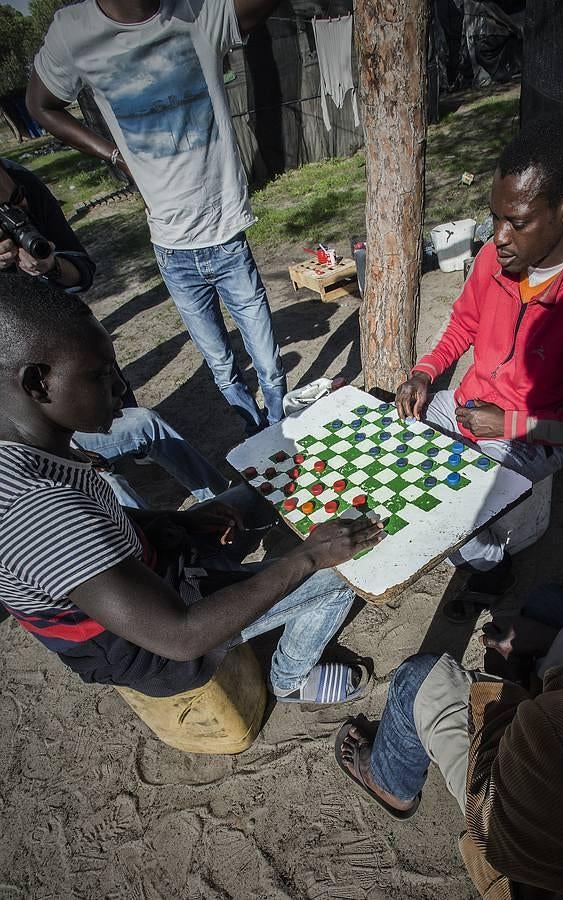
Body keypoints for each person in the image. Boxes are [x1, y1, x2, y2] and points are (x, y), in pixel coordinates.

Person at [335, 381, 563, 898]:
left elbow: (495, 817)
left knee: (417, 678)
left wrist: (513, 685)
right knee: (553, 607)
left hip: (526, 847)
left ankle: (391, 783)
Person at [0, 274, 384, 701]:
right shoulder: (38, 510)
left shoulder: (33, 445)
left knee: (260, 493)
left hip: (155, 565)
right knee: (345, 574)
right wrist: (310, 555)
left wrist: (177, 519)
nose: (121, 387)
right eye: (101, 375)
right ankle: (290, 679)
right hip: (153, 646)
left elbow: (101, 519)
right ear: (37, 383)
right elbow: (180, 636)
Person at [396, 114, 563, 612]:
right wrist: (427, 372)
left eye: (516, 221)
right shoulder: (500, 253)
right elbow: (463, 324)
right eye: (494, 217)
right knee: (394, 433)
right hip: (471, 403)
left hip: (536, 435)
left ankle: (494, 564)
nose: (498, 238)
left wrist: (511, 423)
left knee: (448, 513)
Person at [27, 0, 287, 436]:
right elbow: (42, 105)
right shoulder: (73, 31)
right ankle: (256, 437)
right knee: (221, 365)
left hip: (227, 238)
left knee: (267, 361)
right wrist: (113, 154)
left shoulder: (198, 11)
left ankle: (282, 436)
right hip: (173, 251)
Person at [0, 156, 229, 507]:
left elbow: (81, 269)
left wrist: (52, 266)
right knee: (109, 486)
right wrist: (71, 456)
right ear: (35, 382)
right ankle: (155, 557)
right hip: (31, 454)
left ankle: (233, 503)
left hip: (59, 427)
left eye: (16, 200)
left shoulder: (22, 180)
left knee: (143, 422)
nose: (21, 210)